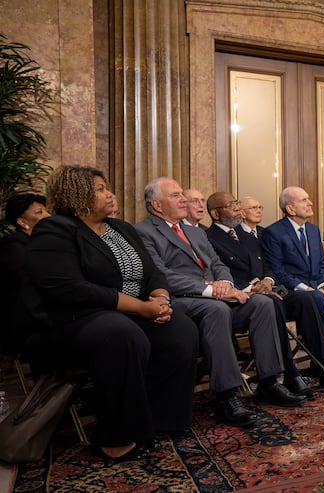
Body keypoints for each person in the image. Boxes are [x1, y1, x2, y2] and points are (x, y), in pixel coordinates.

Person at [22, 165, 198, 461]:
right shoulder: (55, 229)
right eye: (101, 188)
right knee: (122, 334)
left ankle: (158, 419)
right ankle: (115, 437)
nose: (110, 193)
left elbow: (152, 271)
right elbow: (69, 289)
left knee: (180, 329)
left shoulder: (122, 229)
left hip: (127, 314)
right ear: (76, 194)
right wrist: (141, 308)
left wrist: (160, 298)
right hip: (71, 319)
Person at [135, 178, 306, 428]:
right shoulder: (143, 232)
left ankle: (269, 382)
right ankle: (227, 395)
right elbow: (160, 275)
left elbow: (218, 265)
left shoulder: (195, 231)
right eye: (176, 196)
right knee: (215, 309)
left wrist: (225, 285)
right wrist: (210, 290)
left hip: (218, 294)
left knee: (262, 303)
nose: (183, 199)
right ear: (157, 205)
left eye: (183, 194)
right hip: (184, 300)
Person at [205, 191, 324, 394]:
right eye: (232, 205)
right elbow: (221, 271)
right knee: (279, 303)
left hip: (272, 288)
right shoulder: (208, 237)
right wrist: (253, 287)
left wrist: (267, 280)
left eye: (237, 203)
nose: (237, 208)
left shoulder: (247, 235)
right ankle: (290, 373)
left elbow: (268, 265)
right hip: (244, 295)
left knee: (306, 300)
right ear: (216, 214)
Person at [262, 186, 324, 372]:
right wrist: (309, 290)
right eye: (304, 200)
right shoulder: (273, 233)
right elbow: (278, 271)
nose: (310, 203)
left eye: (308, 199)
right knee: (314, 298)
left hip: (317, 286)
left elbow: (321, 265)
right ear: (290, 209)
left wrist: (322, 287)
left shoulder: (313, 230)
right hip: (295, 291)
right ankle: (320, 360)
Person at [0, 193, 50, 353]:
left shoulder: (40, 243)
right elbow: (36, 282)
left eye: (46, 211)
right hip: (21, 322)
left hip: (41, 312)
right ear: (22, 222)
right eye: (39, 212)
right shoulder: (12, 246)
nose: (48, 215)